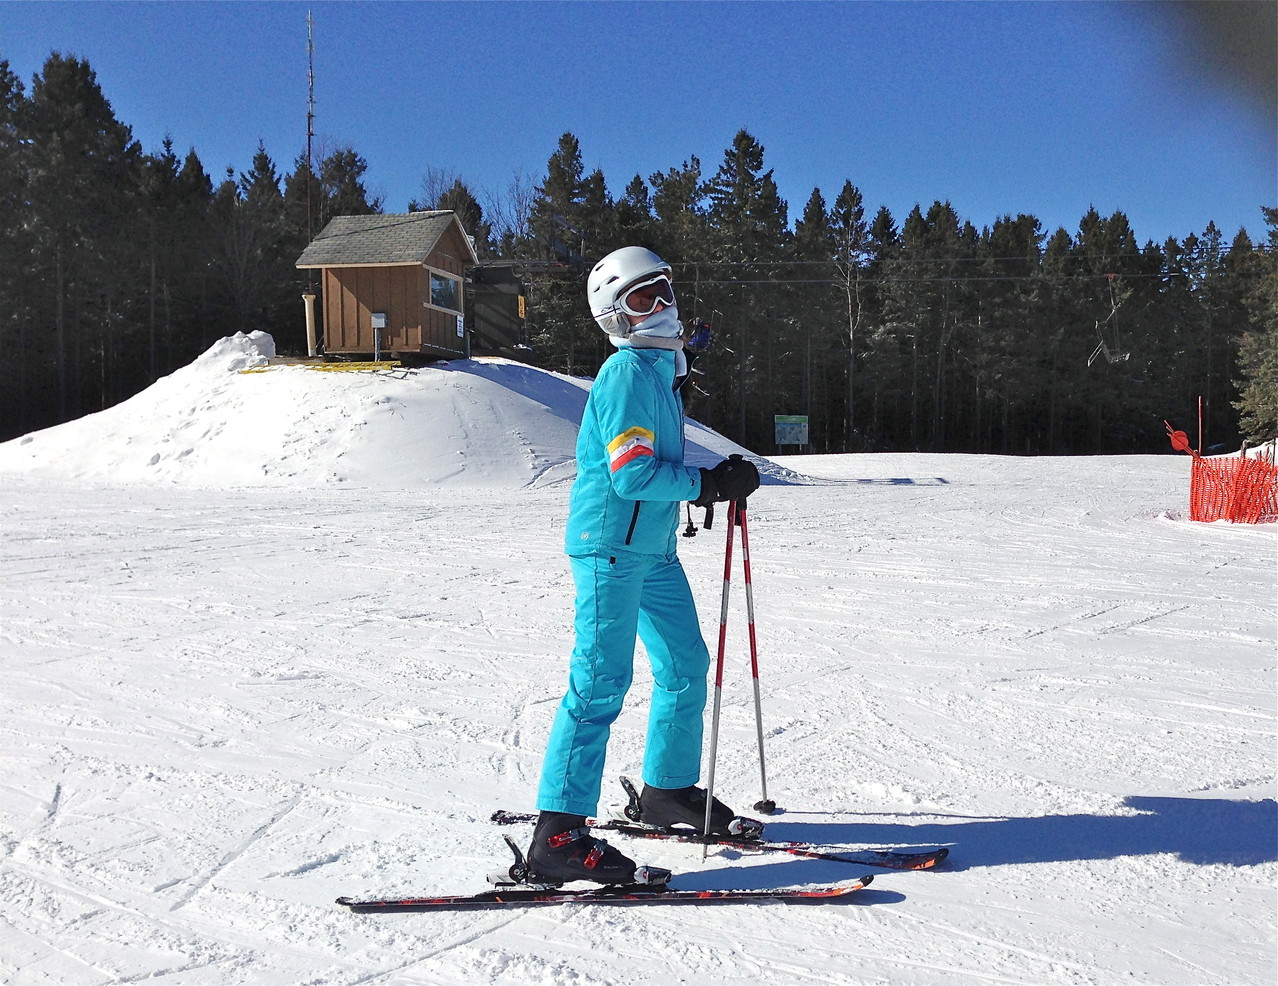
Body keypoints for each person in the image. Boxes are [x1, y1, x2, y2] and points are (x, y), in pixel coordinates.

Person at [527, 246, 762, 885]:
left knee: (686, 664)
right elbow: (631, 474)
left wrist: (710, 479)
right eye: (641, 298)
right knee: (601, 680)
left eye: (662, 289)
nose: (659, 305)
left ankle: (666, 789)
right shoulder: (627, 373)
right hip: (608, 546)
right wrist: (707, 484)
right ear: (615, 316)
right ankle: (558, 833)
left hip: (653, 550)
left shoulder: (660, 370)